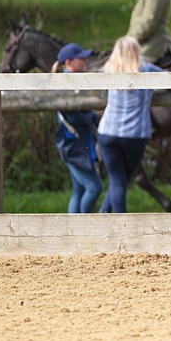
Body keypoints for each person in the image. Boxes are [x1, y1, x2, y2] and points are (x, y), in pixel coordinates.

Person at [97, 37, 163, 213]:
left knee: (118, 180)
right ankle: (121, 227)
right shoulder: (148, 71)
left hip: (107, 132)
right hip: (134, 135)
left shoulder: (109, 70)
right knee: (121, 181)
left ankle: (103, 215)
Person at [53, 43, 102, 213]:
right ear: (69, 62)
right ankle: (83, 226)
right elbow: (72, 116)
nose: (85, 60)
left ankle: (73, 231)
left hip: (74, 143)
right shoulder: (67, 83)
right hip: (74, 145)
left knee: (79, 190)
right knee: (94, 187)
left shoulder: (70, 80)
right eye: (81, 58)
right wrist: (94, 117)